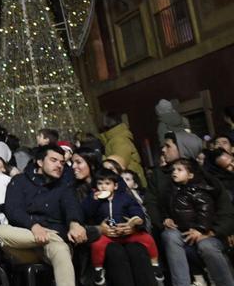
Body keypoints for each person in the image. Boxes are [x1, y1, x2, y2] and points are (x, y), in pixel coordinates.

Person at [0, 144, 88, 286]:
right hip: (24, 243)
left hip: (50, 249)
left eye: (62, 162)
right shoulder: (20, 181)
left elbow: (71, 205)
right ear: (40, 162)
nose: (59, 165)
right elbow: (13, 210)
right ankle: (54, 237)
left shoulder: (63, 185)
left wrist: (75, 223)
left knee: (61, 249)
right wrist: (34, 226)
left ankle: (53, 239)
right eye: (53, 160)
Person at [158, 158, 234, 286]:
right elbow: (165, 207)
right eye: (173, 170)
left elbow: (207, 211)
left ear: (191, 174)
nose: (174, 172)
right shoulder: (171, 189)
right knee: (169, 235)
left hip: (209, 232)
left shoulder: (203, 190)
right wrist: (166, 218)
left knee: (206, 245)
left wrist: (204, 230)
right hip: (184, 232)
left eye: (179, 170)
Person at [82, 170, 161, 285]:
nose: (103, 186)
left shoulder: (124, 198)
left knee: (147, 239)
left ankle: (155, 264)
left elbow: (135, 209)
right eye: (100, 183)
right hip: (108, 235)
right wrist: (93, 201)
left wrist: (136, 221)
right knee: (97, 245)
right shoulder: (94, 199)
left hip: (128, 233)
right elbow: (86, 213)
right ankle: (98, 270)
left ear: (115, 186)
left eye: (107, 183)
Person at [99, 114, 146, 186]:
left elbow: (119, 164)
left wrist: (99, 157)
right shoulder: (115, 138)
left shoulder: (119, 140)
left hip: (131, 182)